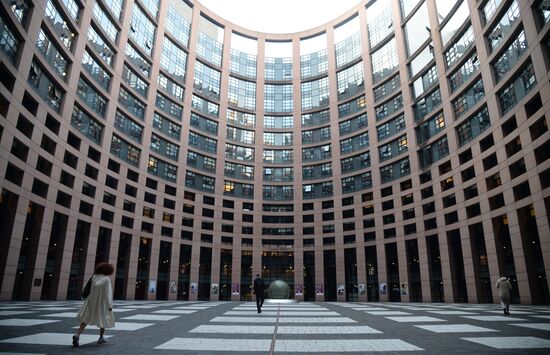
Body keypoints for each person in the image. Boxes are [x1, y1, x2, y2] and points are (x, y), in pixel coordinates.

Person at [72, 262, 115, 347]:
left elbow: (87, 287)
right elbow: (107, 294)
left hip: (91, 301)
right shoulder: (106, 279)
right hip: (101, 303)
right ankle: (101, 338)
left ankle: (77, 335)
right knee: (103, 319)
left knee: (86, 318)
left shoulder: (94, 277)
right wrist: (109, 306)